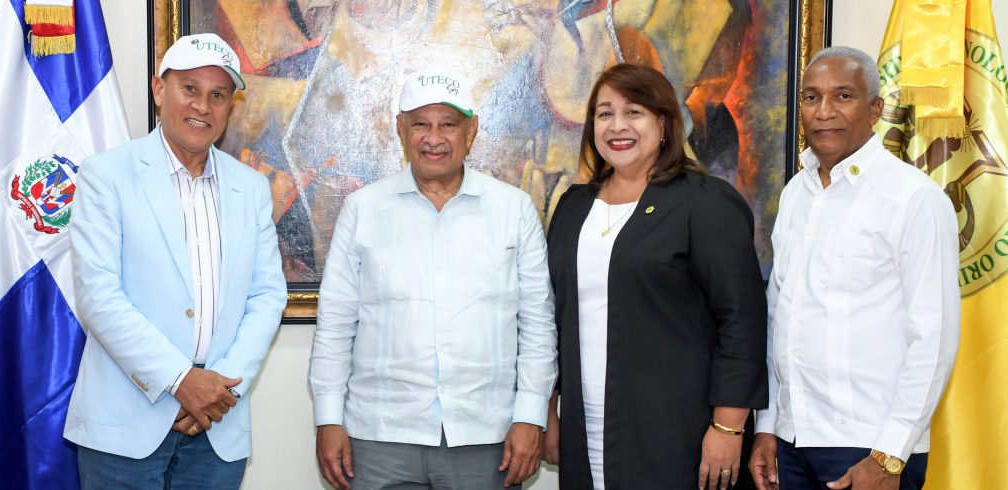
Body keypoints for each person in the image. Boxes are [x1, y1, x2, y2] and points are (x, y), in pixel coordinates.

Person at [308, 67, 558, 489]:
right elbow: (335, 322)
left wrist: (531, 416)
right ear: (401, 129)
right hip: (380, 435)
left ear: (471, 131)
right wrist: (328, 418)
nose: (434, 138)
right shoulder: (362, 209)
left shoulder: (513, 210)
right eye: (421, 124)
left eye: (449, 125)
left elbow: (537, 325)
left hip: (487, 437)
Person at [64, 33, 288, 489]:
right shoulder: (106, 175)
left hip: (218, 424)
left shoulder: (251, 188)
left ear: (230, 107)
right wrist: (180, 380)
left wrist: (219, 389)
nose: (203, 106)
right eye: (189, 88)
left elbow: (267, 296)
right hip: (125, 426)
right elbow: (98, 296)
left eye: (218, 95)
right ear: (158, 89)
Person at [543, 63, 768, 490]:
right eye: (605, 113)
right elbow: (554, 317)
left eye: (634, 112)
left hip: (679, 432)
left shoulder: (705, 203)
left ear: (664, 123)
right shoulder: (573, 207)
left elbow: (742, 321)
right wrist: (549, 410)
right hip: (585, 426)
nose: (617, 126)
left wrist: (728, 427)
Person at [748, 46, 960, 490]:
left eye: (843, 96)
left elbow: (934, 337)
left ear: (876, 109)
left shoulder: (914, 198)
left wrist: (889, 456)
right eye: (811, 97)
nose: (824, 111)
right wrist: (767, 426)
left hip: (870, 447)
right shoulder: (795, 194)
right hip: (791, 441)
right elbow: (777, 317)